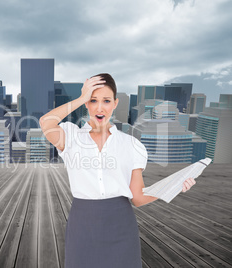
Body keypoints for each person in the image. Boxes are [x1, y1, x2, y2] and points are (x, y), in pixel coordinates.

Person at [39, 73, 196, 268]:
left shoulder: (131, 144)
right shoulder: (71, 137)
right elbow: (46, 123)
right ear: (86, 104)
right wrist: (81, 97)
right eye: (93, 100)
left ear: (115, 103)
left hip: (121, 224)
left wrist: (174, 186)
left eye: (106, 100)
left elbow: (137, 198)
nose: (99, 107)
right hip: (83, 223)